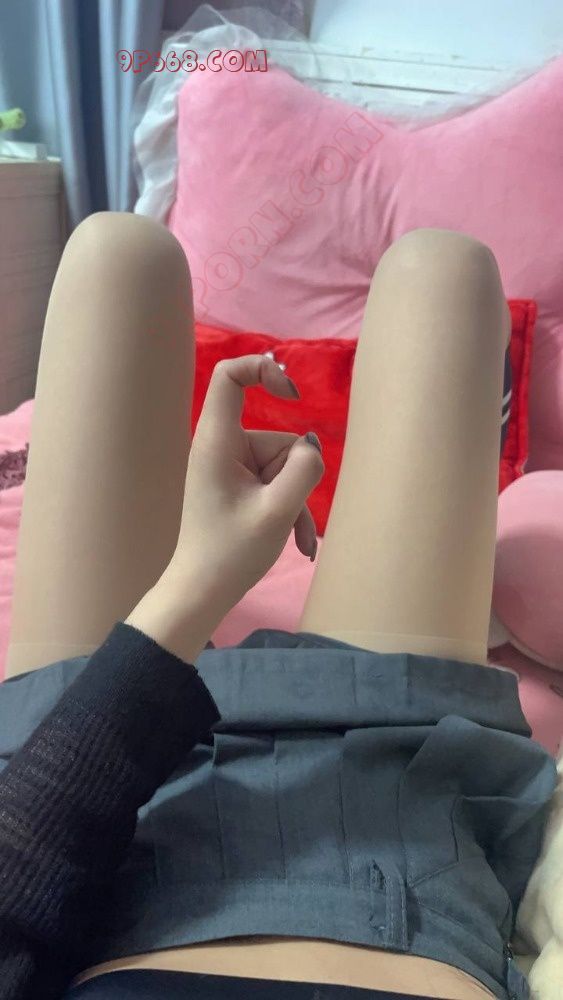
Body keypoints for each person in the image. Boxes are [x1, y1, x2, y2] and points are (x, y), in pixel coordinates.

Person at [0, 214, 556, 1000]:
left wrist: (197, 583)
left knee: (114, 253)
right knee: (445, 271)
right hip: (393, 802)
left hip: (73, 813)